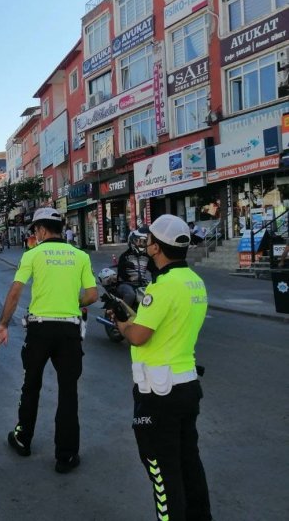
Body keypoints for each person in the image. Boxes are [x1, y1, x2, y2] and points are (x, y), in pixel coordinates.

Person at [111, 214, 212, 520]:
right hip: (187, 387)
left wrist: (122, 322)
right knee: (188, 462)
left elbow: (139, 336)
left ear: (156, 247)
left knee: (161, 470)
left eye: (149, 239)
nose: (147, 244)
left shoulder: (162, 287)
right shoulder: (196, 282)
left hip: (158, 394)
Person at [0, 207, 98, 473]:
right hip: (69, 332)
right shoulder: (80, 255)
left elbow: (15, 292)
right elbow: (93, 295)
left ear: (40, 230)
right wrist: (74, 301)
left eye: (35, 230)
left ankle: (22, 438)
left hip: (39, 331)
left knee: (31, 385)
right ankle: (66, 456)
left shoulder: (33, 254)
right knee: (68, 392)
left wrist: (3, 324)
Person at [116, 226, 157, 307]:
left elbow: (154, 270)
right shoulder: (125, 256)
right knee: (130, 295)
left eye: (144, 242)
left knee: (156, 294)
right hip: (126, 284)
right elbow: (120, 272)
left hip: (142, 284)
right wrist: (129, 278)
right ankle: (123, 315)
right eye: (138, 241)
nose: (141, 244)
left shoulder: (146, 257)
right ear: (131, 241)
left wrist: (157, 280)